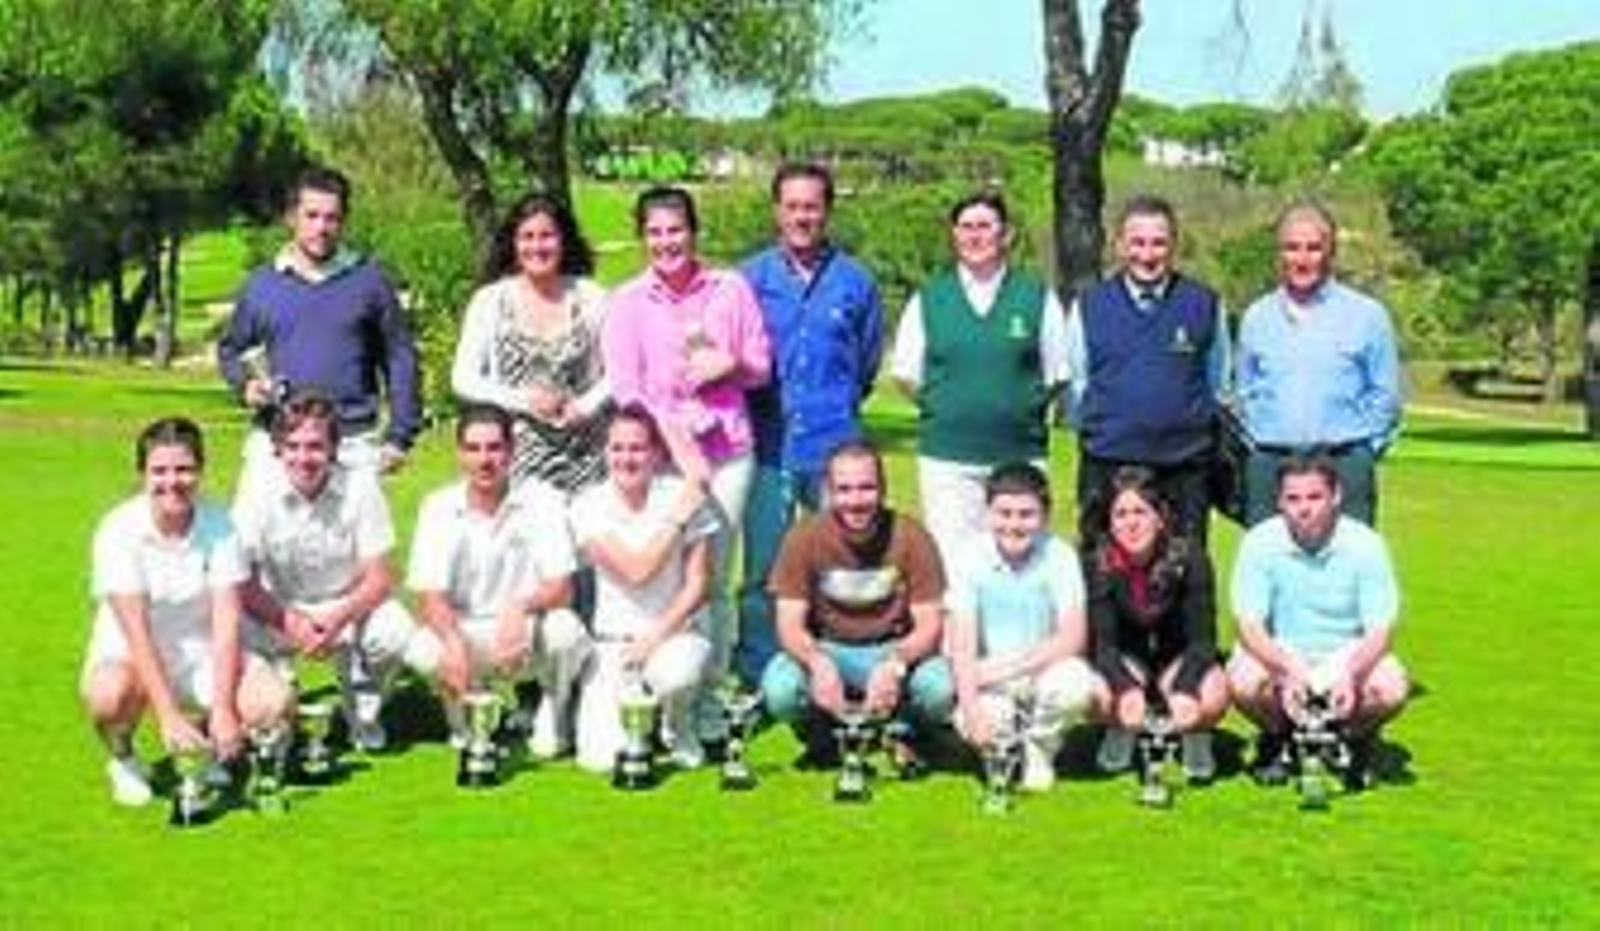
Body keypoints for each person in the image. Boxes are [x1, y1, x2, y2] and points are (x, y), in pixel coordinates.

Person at [602, 185, 771, 740]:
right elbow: (628, 390)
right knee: (667, 579)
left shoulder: (730, 288)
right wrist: (678, 448)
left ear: (693, 233)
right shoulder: (627, 301)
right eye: (654, 232)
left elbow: (761, 368)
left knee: (715, 580)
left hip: (727, 456)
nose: (665, 242)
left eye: (675, 230)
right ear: (642, 237)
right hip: (667, 463)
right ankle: (653, 691)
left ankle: (706, 699)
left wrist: (731, 365)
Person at [736, 162, 885, 685]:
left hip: (833, 450)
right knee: (763, 569)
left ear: (827, 211)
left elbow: (866, 363)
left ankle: (837, 662)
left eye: (812, 206)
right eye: (792, 206)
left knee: (839, 566)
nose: (802, 216)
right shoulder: (748, 279)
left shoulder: (855, 281)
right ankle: (759, 671)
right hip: (768, 444)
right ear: (777, 210)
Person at [79, 418, 257, 806]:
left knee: (272, 703)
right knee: (107, 696)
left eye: (184, 469)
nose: (172, 481)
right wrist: (167, 714)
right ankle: (123, 760)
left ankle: (211, 744)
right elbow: (137, 633)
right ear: (142, 474)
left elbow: (227, 625)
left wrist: (225, 709)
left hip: (201, 654)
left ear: (200, 471)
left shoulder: (222, 526)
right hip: (129, 655)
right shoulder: (117, 529)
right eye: (159, 470)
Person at [231, 391, 419, 753]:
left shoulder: (361, 485)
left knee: (396, 632)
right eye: (294, 446)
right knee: (225, 623)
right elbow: (243, 580)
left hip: (347, 606)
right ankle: (273, 704)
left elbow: (381, 576)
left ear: (333, 449)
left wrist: (338, 619)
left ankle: (362, 710)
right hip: (276, 608)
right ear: (278, 449)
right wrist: (290, 623)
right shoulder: (256, 487)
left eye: (316, 446)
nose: (305, 458)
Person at [218, 166, 422, 498]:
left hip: (352, 445)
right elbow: (231, 350)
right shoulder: (261, 286)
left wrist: (400, 436)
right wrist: (245, 385)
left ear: (343, 220)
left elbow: (400, 357)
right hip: (275, 443)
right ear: (290, 217)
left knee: (356, 551)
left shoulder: (370, 282)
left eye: (332, 218)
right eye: (311, 215)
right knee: (253, 547)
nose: (322, 227)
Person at [890, 190, 1070, 564]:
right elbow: (907, 376)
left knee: (1023, 561)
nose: (975, 236)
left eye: (985, 226)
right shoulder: (929, 298)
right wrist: (951, 406)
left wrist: (1014, 407)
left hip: (1020, 455)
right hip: (948, 459)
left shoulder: (1036, 296)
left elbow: (1057, 375)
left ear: (1005, 234)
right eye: (966, 227)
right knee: (954, 566)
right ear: (954, 235)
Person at [404, 404, 592, 757]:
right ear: (459, 454)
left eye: (494, 447)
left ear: (512, 451)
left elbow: (561, 589)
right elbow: (429, 596)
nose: (484, 459)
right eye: (473, 449)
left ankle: (554, 709)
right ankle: (466, 720)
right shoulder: (438, 506)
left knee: (565, 630)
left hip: (525, 632)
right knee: (423, 648)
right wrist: (453, 641)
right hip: (467, 631)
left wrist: (519, 608)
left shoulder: (544, 501)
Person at [762, 440, 953, 772]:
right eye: (844, 489)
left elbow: (930, 624)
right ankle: (823, 737)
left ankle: (904, 733)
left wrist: (896, 662)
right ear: (829, 491)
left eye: (866, 488)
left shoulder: (911, 536)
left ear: (883, 489)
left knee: (939, 688)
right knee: (779, 689)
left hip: (893, 646)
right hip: (827, 646)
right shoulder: (804, 537)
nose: (856, 500)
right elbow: (788, 624)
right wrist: (818, 662)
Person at [1228, 454, 1410, 787]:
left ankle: (1348, 739)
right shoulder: (1259, 542)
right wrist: (1286, 668)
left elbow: (1381, 630)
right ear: (1279, 501)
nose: (1304, 508)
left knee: (1392, 689)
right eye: (1293, 498)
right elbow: (1248, 625)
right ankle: (1279, 738)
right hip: (1283, 649)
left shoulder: (1366, 545)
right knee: (1243, 682)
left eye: (1314, 497)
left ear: (1336, 496)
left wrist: (1350, 674)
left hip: (1345, 651)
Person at [1066, 194, 1229, 545]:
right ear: (1119, 245)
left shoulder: (1204, 304)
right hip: (1109, 463)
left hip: (1184, 468)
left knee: (1184, 572)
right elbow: (1078, 387)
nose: (1147, 254)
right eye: (1137, 242)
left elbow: (1217, 384)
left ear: (1174, 246)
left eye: (1158, 243)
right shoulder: (1089, 306)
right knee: (1105, 572)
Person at [568, 404, 720, 772]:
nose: (626, 458)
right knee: (600, 761)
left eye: (637, 448)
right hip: (613, 644)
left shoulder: (682, 497)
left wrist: (655, 637)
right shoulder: (587, 505)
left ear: (656, 452)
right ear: (605, 452)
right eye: (617, 448)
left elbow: (699, 586)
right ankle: (636, 723)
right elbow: (635, 571)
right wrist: (676, 521)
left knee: (678, 675)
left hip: (674, 635)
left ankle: (676, 725)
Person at [1235, 201, 1403, 526]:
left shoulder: (1367, 315)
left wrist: (1363, 452)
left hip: (1343, 463)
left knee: (1346, 570)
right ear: (1279, 253)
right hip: (1272, 462)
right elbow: (1244, 390)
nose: (1302, 258)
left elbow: (1385, 396)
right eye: (1292, 248)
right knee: (1269, 569)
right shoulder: (1257, 316)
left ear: (1331, 252)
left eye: (1313, 248)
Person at [946, 463, 1094, 792]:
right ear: (987, 514)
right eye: (1004, 513)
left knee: (1077, 684)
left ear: (1045, 515)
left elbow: (1074, 636)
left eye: (1026, 514)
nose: (1014, 524)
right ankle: (1001, 750)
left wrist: (1011, 670)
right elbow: (962, 640)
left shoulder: (1061, 555)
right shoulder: (968, 556)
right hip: (986, 673)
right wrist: (970, 708)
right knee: (977, 721)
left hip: (1041, 667)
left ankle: (1040, 747)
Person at [451, 193, 611, 494]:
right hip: (516, 463)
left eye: (547, 236)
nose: (537, 246)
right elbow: (463, 379)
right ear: (513, 243)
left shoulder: (592, 297)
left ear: (564, 240)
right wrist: (524, 400)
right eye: (527, 237)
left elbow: (620, 371)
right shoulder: (491, 301)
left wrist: (585, 406)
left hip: (589, 460)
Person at [1085, 466, 1229, 783]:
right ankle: (1120, 727)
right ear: (1109, 521)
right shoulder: (1097, 561)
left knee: (1214, 694)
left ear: (1160, 516)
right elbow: (1103, 645)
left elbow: (1203, 642)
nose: (1131, 523)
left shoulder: (1191, 558)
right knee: (1094, 690)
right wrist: (1125, 688)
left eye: (1141, 511)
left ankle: (1196, 734)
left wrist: (1185, 688)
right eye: (1120, 514)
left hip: (1176, 657)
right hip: (1127, 656)